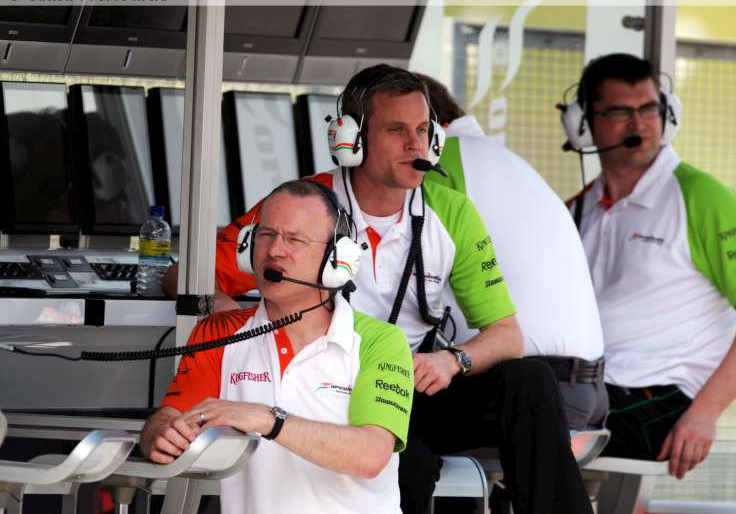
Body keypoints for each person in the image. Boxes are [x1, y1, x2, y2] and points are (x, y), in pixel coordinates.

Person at [211, 65, 593, 513]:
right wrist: (241, 329)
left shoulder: (451, 211)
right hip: (329, 391)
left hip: (411, 388)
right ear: (351, 138)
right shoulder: (302, 206)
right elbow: (190, 277)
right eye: (397, 130)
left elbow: (507, 335)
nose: (416, 145)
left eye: (422, 130)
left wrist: (452, 360)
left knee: (530, 381)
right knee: (407, 463)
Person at [565, 53, 736, 479]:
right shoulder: (579, 209)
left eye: (649, 108)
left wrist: (706, 413)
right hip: (593, 390)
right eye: (620, 111)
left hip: (664, 401)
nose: (639, 124)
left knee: (533, 426)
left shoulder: (702, 196)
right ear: (582, 121)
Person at [141, 180, 414, 513]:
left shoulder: (382, 342)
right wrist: (159, 434)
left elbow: (370, 455)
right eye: (266, 235)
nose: (274, 251)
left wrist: (269, 420)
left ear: (337, 259)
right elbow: (169, 416)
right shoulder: (219, 332)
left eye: (295, 239)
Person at [417, 73, 607, 431]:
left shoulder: (434, 165)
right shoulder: (509, 161)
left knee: (380, 411)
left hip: (531, 387)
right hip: (589, 389)